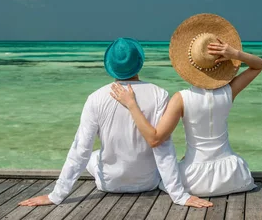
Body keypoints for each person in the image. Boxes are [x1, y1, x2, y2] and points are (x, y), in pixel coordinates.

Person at [19, 38, 211, 208]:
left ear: (110, 65)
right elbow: (163, 148)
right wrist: (179, 195)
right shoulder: (159, 94)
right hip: (148, 182)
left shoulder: (96, 98)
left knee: (92, 154)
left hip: (109, 184)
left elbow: (80, 151)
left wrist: (56, 195)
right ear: (140, 63)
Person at [111, 14, 262, 196]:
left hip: (194, 180)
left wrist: (132, 105)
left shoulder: (181, 98)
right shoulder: (228, 92)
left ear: (189, 64)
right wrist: (235, 54)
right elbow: (258, 65)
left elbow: (155, 139)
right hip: (233, 176)